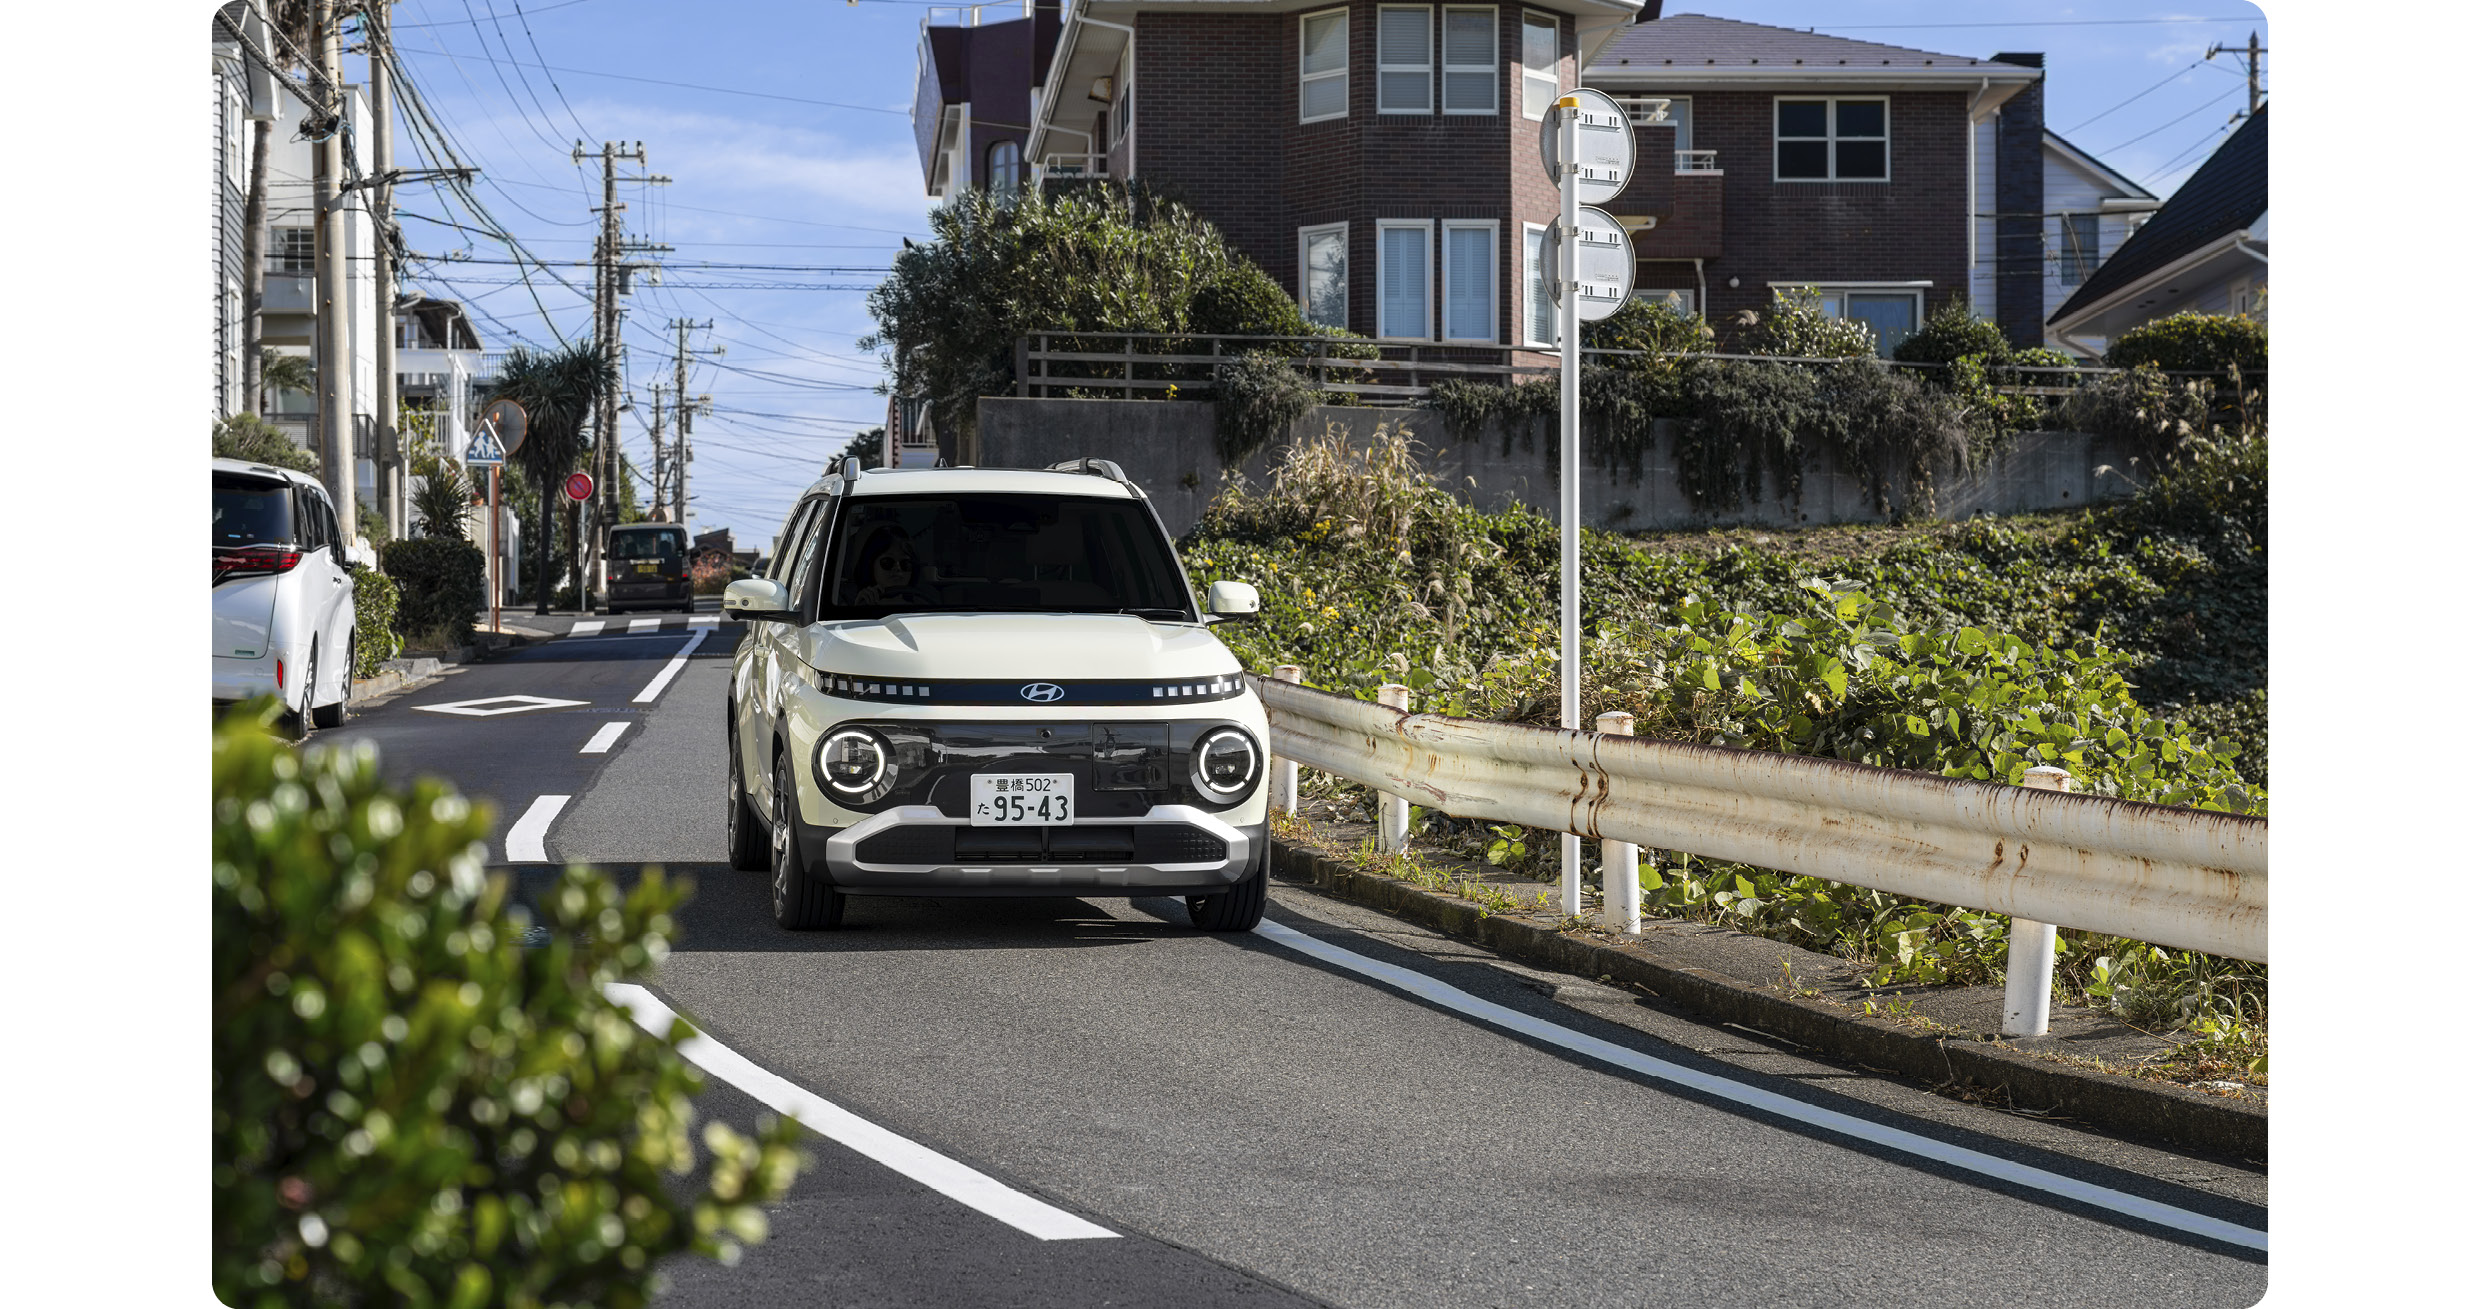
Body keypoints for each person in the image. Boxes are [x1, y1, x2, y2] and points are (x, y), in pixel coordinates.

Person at [851, 526, 932, 605]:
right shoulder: (856, 601)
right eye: (887, 562)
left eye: (905, 563)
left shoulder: (923, 603)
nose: (897, 568)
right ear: (871, 564)